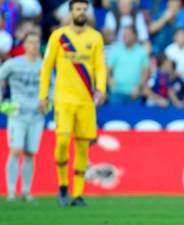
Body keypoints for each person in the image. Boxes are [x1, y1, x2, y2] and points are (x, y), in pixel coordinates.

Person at [39, 0, 107, 207]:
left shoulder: (95, 37)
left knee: (83, 146)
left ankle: (77, 194)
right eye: (78, 9)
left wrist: (101, 89)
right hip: (63, 100)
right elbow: (46, 67)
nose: (81, 12)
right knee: (62, 142)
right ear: (70, 12)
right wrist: (43, 96)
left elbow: (100, 67)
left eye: (84, 9)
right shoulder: (59, 37)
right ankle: (62, 185)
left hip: (86, 101)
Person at [0, 31, 44, 202]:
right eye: (30, 42)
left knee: (30, 153)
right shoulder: (13, 64)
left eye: (36, 42)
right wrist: (3, 103)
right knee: (15, 150)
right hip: (17, 114)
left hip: (36, 115)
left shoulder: (44, 66)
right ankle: (11, 191)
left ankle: (26, 191)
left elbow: (52, 87)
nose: (34, 45)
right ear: (24, 45)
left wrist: (47, 104)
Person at [107, 26, 149, 104]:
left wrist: (139, 87)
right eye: (123, 34)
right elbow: (107, 69)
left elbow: (145, 72)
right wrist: (109, 79)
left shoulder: (142, 52)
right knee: (115, 116)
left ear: (135, 36)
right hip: (117, 92)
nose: (124, 36)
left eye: (127, 34)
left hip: (135, 93)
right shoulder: (116, 51)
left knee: (134, 116)